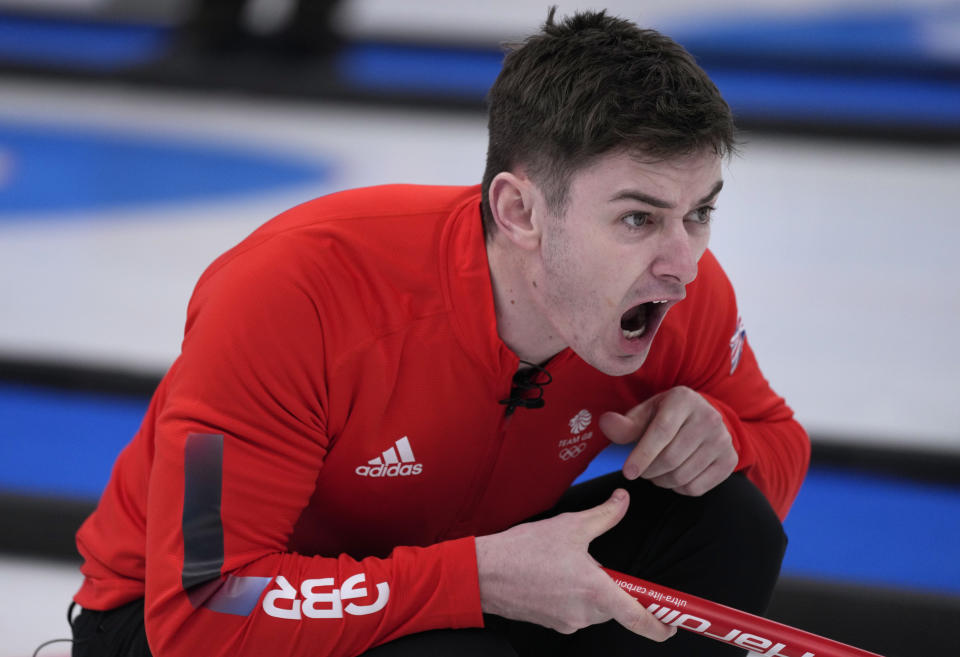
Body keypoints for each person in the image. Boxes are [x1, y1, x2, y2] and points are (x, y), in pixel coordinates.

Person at [69, 8, 809, 657]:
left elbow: (779, 444)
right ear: (519, 212)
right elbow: (201, 607)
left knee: (725, 517)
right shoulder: (289, 295)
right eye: (637, 218)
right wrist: (471, 578)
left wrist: (723, 441)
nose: (681, 263)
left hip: (457, 573)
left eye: (700, 213)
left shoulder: (679, 293)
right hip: (176, 625)